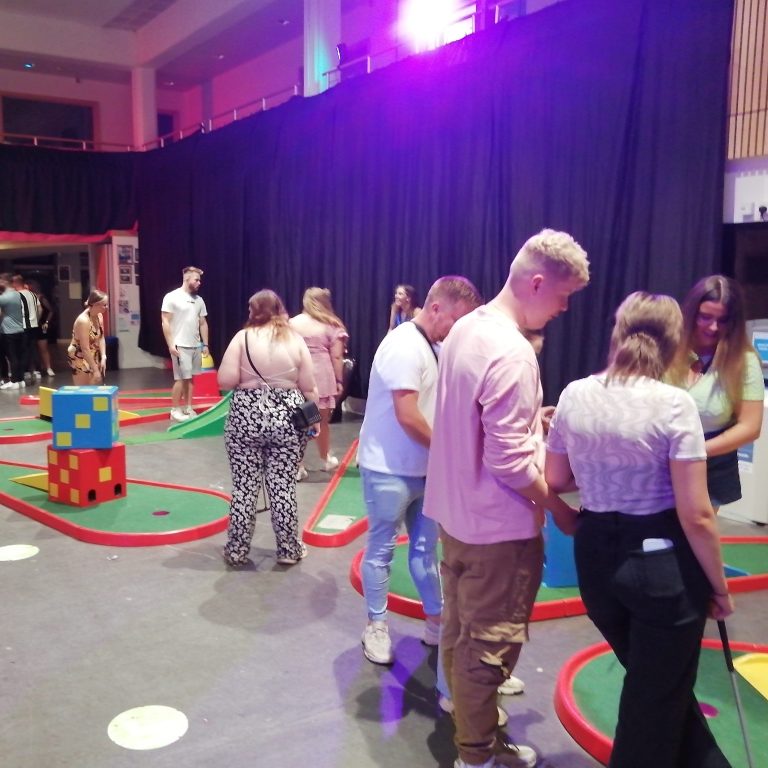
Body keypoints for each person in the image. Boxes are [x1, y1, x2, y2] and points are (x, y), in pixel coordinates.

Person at [546, 291, 734, 768]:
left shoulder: (573, 393)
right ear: (675, 344)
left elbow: (557, 480)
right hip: (661, 568)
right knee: (654, 701)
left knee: (659, 690)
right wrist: (720, 587)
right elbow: (697, 514)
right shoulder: (673, 405)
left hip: (596, 561)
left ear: (617, 333)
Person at [423, 229, 590, 768]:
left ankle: (475, 731)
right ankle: (476, 757)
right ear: (537, 282)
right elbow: (510, 464)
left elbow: (475, 426)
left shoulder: (465, 328)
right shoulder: (514, 354)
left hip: (456, 518)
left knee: (458, 631)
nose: (565, 308)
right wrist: (562, 510)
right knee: (488, 651)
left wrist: (529, 426)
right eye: (563, 296)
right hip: (499, 529)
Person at [358, 276, 482, 666]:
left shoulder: (437, 347)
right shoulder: (403, 345)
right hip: (388, 468)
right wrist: (452, 453)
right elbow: (408, 415)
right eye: (456, 320)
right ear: (435, 308)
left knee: (426, 552)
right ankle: (376, 625)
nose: (458, 330)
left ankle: (436, 623)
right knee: (380, 550)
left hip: (426, 470)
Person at [217, 289, 318, 567]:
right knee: (283, 486)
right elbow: (309, 386)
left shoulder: (242, 338)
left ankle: (237, 550)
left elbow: (225, 380)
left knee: (244, 488)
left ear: (254, 311)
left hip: (245, 418)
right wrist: (314, 420)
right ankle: (288, 549)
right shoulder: (295, 340)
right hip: (287, 419)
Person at [667, 275, 764, 509]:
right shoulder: (665, 349)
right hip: (654, 461)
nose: (713, 327)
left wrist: (694, 450)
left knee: (693, 538)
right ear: (690, 313)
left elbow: (750, 428)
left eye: (722, 320)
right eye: (705, 317)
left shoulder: (745, 361)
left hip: (708, 467)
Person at [289, 287, 349, 479]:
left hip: (297, 375)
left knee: (299, 422)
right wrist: (340, 380)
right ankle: (325, 459)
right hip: (321, 377)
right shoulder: (332, 325)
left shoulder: (292, 323)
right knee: (321, 422)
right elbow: (337, 356)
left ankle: (297, 467)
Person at [161, 266, 209, 422]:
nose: (199, 282)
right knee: (181, 378)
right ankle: (175, 409)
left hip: (195, 345)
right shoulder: (172, 297)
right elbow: (165, 322)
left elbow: (203, 323)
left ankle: (188, 407)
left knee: (190, 378)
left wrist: (205, 344)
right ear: (187, 279)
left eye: (200, 280)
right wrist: (171, 344)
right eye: (196, 279)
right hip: (180, 345)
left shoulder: (199, 300)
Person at [67, 290, 108, 385]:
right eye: (104, 305)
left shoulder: (99, 316)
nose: (106, 307)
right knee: (84, 389)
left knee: (95, 384)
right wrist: (95, 370)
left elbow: (101, 337)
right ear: (95, 305)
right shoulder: (83, 321)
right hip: (80, 355)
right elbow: (84, 348)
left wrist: (103, 356)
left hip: (92, 352)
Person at [0, 273, 28, 391]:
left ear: (4, 282)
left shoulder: (4, 298)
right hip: (21, 329)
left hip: (8, 331)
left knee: (12, 356)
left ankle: (14, 381)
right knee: (19, 356)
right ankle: (21, 380)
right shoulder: (19, 295)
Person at [11, 274, 42, 381]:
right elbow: (40, 309)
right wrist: (36, 319)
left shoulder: (16, 295)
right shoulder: (33, 294)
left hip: (22, 326)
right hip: (33, 325)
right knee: (32, 349)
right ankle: (33, 371)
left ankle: (23, 373)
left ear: (15, 284)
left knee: (21, 350)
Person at [26, 279, 55, 377]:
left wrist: (47, 321)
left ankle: (48, 367)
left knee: (43, 347)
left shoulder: (41, 297)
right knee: (31, 348)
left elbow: (50, 310)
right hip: (30, 326)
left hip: (40, 325)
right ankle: (34, 369)